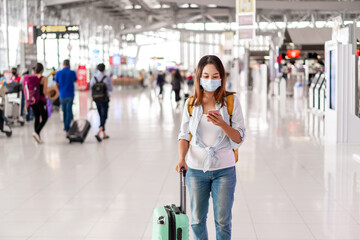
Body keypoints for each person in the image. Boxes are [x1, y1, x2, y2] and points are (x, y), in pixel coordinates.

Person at [176, 55, 246, 240]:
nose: (210, 80)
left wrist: (223, 124)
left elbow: (238, 138)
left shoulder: (231, 102)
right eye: (206, 76)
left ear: (222, 77)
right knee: (197, 220)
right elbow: (184, 136)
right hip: (196, 169)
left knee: (223, 221)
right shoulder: (191, 103)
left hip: (224, 169)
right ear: (198, 77)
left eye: (215, 76)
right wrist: (182, 159)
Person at [90, 63, 113, 142]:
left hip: (96, 99)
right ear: (104, 69)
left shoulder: (94, 77)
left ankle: (104, 134)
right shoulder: (107, 78)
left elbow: (91, 88)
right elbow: (110, 89)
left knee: (100, 115)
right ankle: (99, 131)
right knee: (104, 116)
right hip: (105, 99)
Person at [54, 59, 77, 132]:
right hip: (70, 94)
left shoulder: (58, 73)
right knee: (69, 111)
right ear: (69, 64)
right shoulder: (72, 72)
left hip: (62, 95)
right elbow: (75, 80)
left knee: (64, 111)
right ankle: (68, 126)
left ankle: (65, 126)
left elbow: (56, 84)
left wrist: (59, 91)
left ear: (63, 64)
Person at [30, 63, 48, 143]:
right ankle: (36, 132)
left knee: (37, 117)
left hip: (32, 101)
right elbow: (44, 91)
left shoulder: (32, 77)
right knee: (45, 117)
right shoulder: (44, 78)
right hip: (40, 100)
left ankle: (37, 137)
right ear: (42, 69)